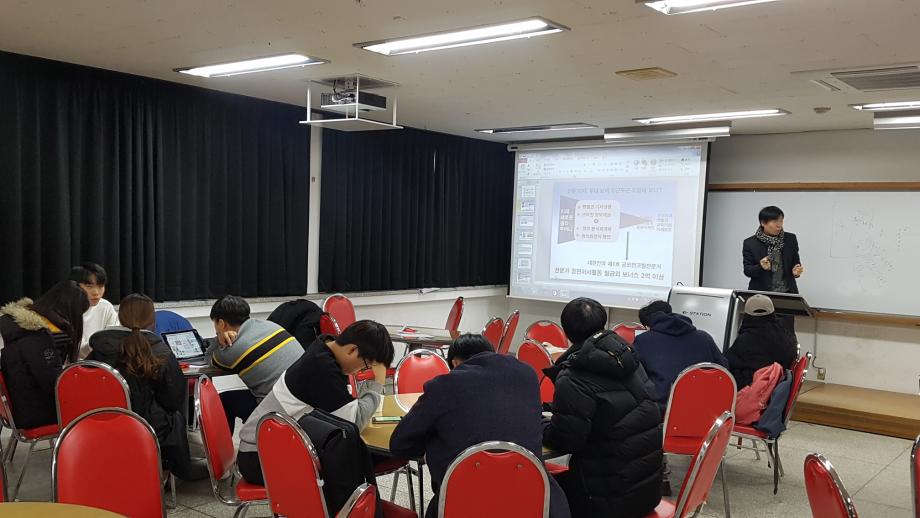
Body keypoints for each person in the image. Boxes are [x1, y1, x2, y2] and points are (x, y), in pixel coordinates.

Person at [390, 334, 570, 518]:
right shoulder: (527, 375)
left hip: (462, 502)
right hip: (531, 500)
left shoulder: (444, 385)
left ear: (455, 363)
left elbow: (400, 443)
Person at [235, 320, 394, 485]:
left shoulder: (323, 347)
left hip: (263, 449)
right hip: (261, 459)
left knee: (355, 456)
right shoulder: (324, 370)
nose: (361, 371)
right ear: (352, 350)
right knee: (357, 458)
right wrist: (378, 382)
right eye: (367, 366)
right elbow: (355, 423)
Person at [544, 298, 663, 518]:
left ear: (566, 332)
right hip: (646, 491)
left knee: (531, 489)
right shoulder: (626, 357)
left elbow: (566, 441)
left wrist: (542, 424)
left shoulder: (573, 376)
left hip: (607, 501)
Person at [88, 294, 208, 480]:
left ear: (121, 317)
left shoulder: (99, 349)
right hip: (147, 426)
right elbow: (173, 400)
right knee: (175, 416)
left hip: (101, 421)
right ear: (152, 320)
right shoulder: (160, 352)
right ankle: (177, 469)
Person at [207, 295, 304, 430]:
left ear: (222, 323)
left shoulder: (233, 349)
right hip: (307, 401)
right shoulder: (271, 326)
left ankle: (224, 444)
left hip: (280, 409)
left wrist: (218, 339)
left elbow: (209, 358)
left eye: (215, 324)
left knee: (223, 401)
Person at [0, 281, 89, 428]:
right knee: (96, 405)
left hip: (22, 405)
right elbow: (55, 385)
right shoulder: (39, 337)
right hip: (35, 413)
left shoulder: (15, 324)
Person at [633, 300, 730, 408]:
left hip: (663, 408)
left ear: (648, 326)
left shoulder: (643, 340)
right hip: (705, 407)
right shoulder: (704, 337)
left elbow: (635, 376)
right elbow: (724, 370)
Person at [726, 294, 798, 389]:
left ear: (747, 315)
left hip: (751, 390)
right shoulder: (786, 336)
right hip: (776, 388)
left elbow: (726, 363)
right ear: (772, 313)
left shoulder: (745, 340)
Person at [742, 206, 804, 294]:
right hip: (761, 293)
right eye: (775, 222)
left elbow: (795, 262)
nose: (779, 225)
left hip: (788, 292)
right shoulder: (750, 243)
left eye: (781, 221)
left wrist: (796, 272)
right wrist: (760, 267)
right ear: (763, 223)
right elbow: (747, 271)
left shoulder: (790, 239)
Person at [70, 262, 120, 357]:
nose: (96, 293)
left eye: (100, 286)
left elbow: (114, 337)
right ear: (75, 286)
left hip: (102, 360)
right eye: (89, 286)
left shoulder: (105, 306)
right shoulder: (66, 308)